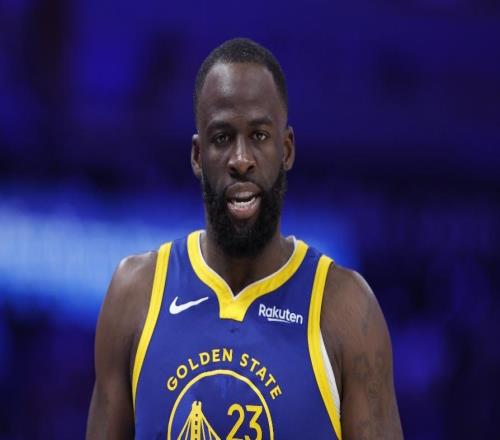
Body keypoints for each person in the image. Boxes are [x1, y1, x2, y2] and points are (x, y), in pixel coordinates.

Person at [86, 38, 403, 440]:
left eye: (259, 135)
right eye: (222, 138)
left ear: (286, 149)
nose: (240, 159)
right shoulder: (135, 294)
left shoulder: (347, 310)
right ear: (197, 156)